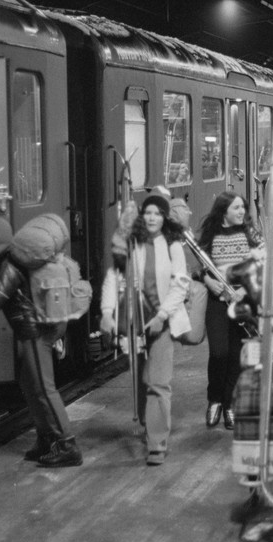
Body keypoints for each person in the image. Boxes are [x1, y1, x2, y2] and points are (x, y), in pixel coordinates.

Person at [0, 215, 83, 467]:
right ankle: (46, 439)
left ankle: (67, 445)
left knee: (43, 388)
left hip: (33, 331)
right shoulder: (11, 259)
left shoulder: (10, 264)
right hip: (29, 330)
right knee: (31, 388)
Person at [100, 194, 191, 465]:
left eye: (158, 213)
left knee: (158, 382)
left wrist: (163, 315)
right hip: (135, 322)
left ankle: (157, 444)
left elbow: (181, 285)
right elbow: (113, 279)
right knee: (141, 379)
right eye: (148, 213)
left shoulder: (173, 245)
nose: (152, 218)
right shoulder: (132, 244)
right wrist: (106, 313)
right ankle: (146, 424)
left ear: (165, 218)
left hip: (161, 322)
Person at [198, 191, 263, 430]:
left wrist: (244, 291)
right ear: (223, 211)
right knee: (219, 352)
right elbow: (199, 267)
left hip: (243, 300)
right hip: (218, 301)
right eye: (236, 208)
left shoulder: (251, 234)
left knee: (237, 356)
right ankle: (214, 398)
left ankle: (230, 404)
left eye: (242, 208)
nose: (242, 212)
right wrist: (208, 282)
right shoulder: (211, 234)